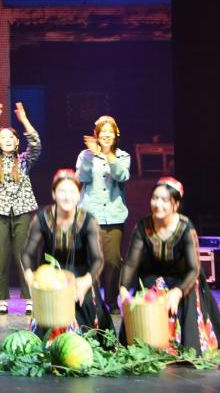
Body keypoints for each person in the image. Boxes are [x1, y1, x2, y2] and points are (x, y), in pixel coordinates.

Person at [118, 177, 220, 353]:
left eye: (164, 200)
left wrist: (178, 291)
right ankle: (147, 343)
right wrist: (123, 289)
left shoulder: (185, 227)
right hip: (154, 276)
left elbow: (194, 268)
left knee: (187, 292)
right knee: (148, 292)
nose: (158, 204)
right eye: (155, 198)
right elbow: (131, 263)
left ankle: (185, 345)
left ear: (175, 204)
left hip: (183, 278)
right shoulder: (143, 226)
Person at [18, 169, 114, 341]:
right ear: (53, 194)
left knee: (85, 310)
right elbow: (26, 253)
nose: (67, 197)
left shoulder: (88, 221)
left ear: (79, 195)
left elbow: (97, 259)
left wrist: (86, 281)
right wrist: (30, 277)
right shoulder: (42, 218)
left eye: (72, 191)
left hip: (80, 278)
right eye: (62, 191)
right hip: (50, 278)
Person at [0, 102, 42, 315]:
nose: (7, 140)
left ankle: (30, 299)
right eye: (3, 137)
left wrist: (24, 120)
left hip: (22, 212)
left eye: (10, 137)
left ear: (16, 142)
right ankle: (2, 300)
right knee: (1, 256)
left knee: (24, 255)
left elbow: (36, 144)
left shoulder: (24, 161)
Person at [76, 115, 132, 312]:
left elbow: (122, 175)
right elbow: (82, 177)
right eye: (103, 132)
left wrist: (109, 155)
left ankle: (111, 299)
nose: (106, 135)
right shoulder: (85, 155)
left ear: (115, 135)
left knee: (113, 261)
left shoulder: (123, 156)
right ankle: (92, 301)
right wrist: (91, 157)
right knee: (90, 260)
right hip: (90, 217)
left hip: (114, 216)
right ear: (97, 135)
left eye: (110, 132)